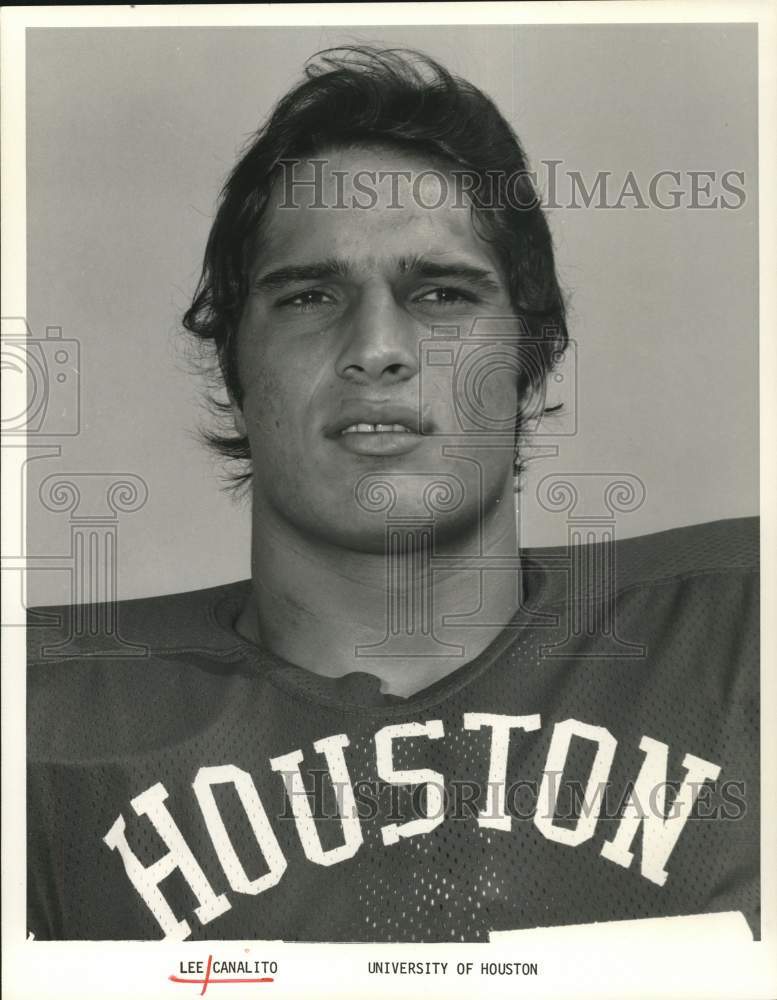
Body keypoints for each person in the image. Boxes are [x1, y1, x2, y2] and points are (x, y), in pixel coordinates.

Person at [26, 46, 759, 943]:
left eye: (442, 293)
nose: (376, 346)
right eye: (308, 297)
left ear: (530, 359)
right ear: (236, 363)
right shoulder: (41, 715)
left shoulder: (734, 644)